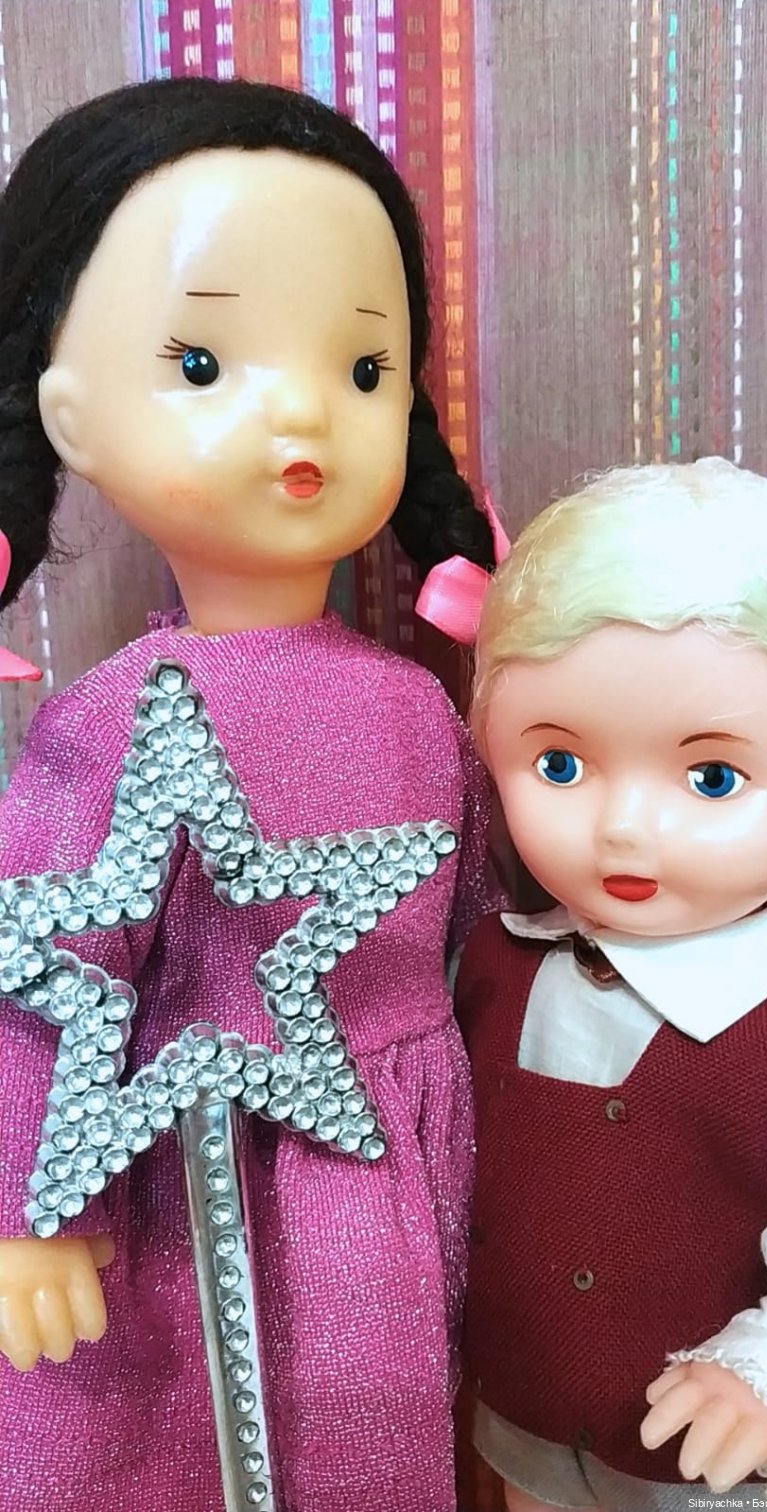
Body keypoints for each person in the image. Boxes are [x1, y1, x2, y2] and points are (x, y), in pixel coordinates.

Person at [0, 76, 497, 1512]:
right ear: (72, 414)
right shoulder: (112, 723)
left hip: (380, 1160)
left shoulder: (417, 702)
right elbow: (42, 975)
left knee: (363, 1437)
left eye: (363, 369)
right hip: (176, 1167)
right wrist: (32, 1203)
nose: (303, 411)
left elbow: (478, 923)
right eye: (204, 363)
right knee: (170, 1449)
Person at [457, 458, 767, 1511]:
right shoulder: (484, 965)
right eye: (558, 765)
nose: (624, 829)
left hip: (719, 1469)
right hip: (523, 1423)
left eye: (713, 778)